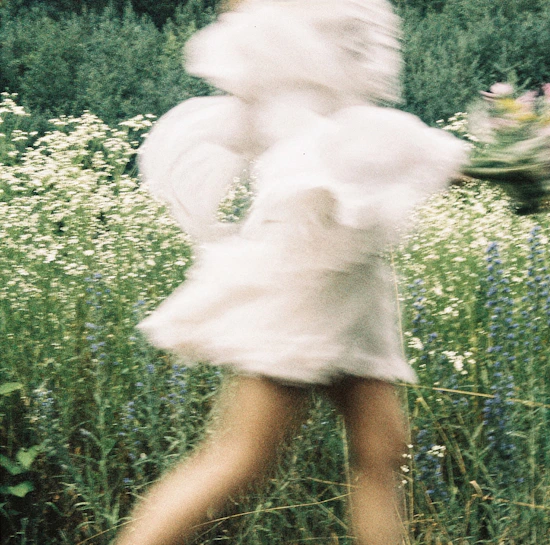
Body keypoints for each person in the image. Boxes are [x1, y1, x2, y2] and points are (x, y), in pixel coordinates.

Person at [114, 1, 467, 544]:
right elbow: (315, 137)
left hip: (348, 272)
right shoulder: (281, 26)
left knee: (381, 448)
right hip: (309, 270)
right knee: (242, 457)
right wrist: (450, 158)